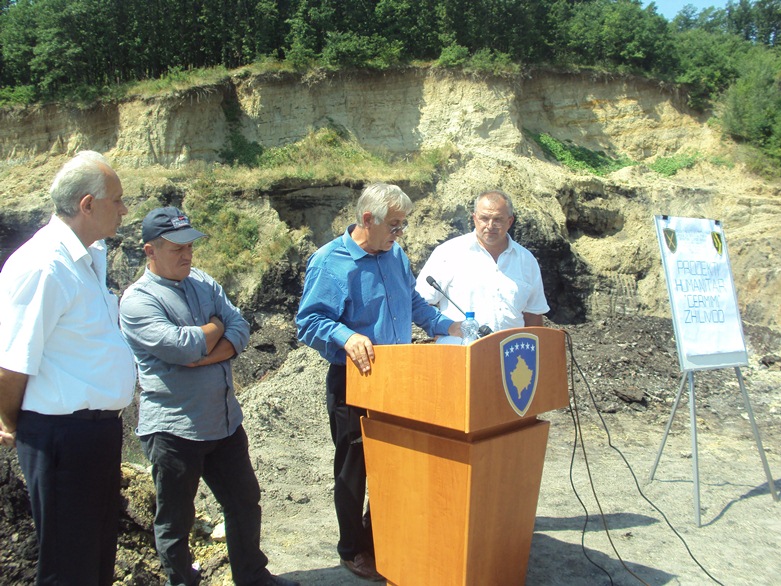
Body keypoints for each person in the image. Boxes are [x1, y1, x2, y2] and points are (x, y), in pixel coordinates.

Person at [119, 207, 298, 586]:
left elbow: (241, 327)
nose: (187, 255)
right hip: (174, 429)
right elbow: (182, 348)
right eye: (175, 248)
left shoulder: (202, 281)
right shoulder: (137, 301)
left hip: (224, 422)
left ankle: (252, 576)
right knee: (175, 520)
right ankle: (182, 581)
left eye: (190, 246)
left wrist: (211, 348)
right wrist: (216, 327)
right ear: (149, 251)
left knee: (244, 502)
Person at [296, 183, 461, 581]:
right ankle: (352, 549)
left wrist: (449, 326)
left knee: (394, 465)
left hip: (400, 379)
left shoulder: (395, 254)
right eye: (395, 225)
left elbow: (414, 303)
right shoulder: (329, 262)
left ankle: (381, 539)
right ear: (367, 220)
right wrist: (346, 336)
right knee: (355, 469)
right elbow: (309, 322)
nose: (400, 234)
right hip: (356, 380)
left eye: (403, 225)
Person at [0, 151, 137, 585]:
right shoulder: (44, 265)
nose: (124, 209)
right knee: (68, 565)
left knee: (95, 559)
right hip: (60, 437)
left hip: (94, 432)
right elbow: (11, 360)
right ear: (87, 204)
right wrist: (7, 420)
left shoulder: (87, 258)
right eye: (116, 200)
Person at [416, 189, 549, 332]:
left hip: (510, 352)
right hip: (460, 350)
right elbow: (420, 303)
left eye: (498, 219)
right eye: (484, 218)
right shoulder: (448, 253)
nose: (490, 226)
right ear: (474, 218)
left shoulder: (526, 260)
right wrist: (443, 329)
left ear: (510, 221)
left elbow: (534, 314)